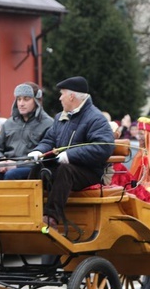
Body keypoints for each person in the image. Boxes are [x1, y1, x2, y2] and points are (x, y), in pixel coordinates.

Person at [27, 76, 114, 227]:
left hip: (89, 171)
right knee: (38, 168)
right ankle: (26, 210)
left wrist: (70, 155)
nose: (60, 98)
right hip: (64, 167)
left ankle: (51, 216)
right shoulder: (60, 117)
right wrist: (38, 151)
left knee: (65, 170)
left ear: (72, 96)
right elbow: (49, 140)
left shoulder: (95, 118)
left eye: (62, 94)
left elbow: (104, 146)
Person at [0, 82, 53, 181]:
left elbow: (48, 156)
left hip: (32, 170)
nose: (21, 103)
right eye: (19, 99)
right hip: (5, 167)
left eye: (26, 99)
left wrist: (17, 166)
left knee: (12, 174)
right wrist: (0, 160)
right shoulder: (9, 123)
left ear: (36, 101)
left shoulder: (48, 124)